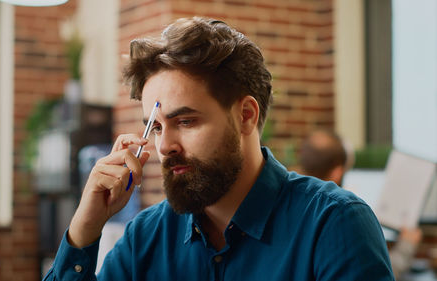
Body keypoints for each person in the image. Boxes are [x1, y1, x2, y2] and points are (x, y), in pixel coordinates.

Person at [43, 17, 394, 281]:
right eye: (158, 127)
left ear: (245, 116)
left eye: (186, 122)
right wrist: (84, 228)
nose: (164, 146)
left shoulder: (333, 223)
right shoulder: (146, 237)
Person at [299, 129, 421, 280]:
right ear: (337, 172)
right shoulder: (342, 219)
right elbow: (371, 273)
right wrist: (406, 246)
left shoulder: (290, 210)